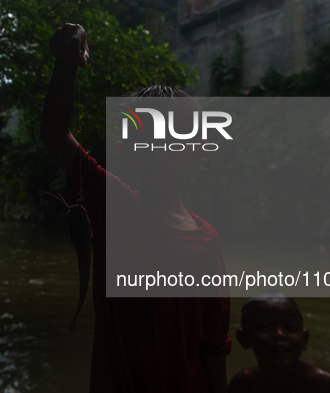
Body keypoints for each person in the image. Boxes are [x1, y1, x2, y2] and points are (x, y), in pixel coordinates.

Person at [41, 23, 231, 392]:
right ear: (129, 148)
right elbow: (55, 134)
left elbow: (213, 345)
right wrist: (66, 64)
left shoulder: (210, 243)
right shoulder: (114, 203)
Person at [228, 292, 330, 393]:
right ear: (244, 339)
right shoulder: (243, 384)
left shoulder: (318, 382)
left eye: (290, 328)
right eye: (265, 327)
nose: (280, 334)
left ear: (304, 339)